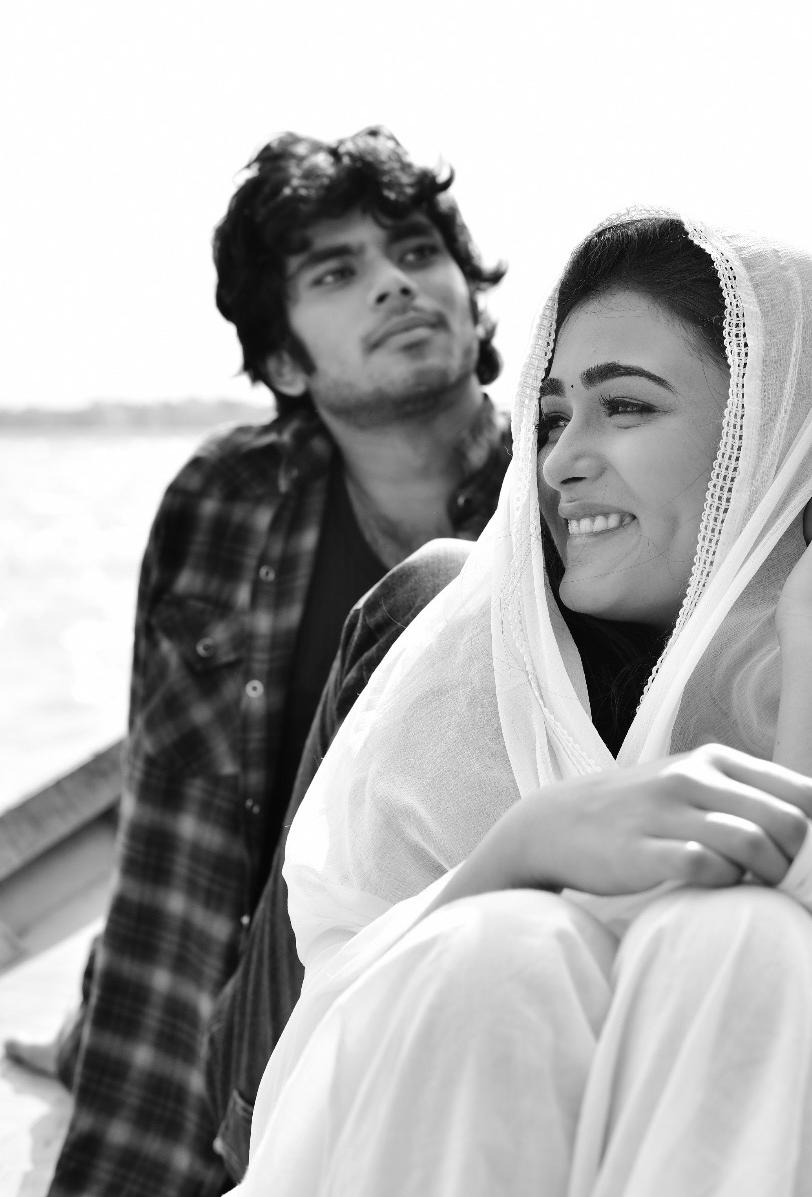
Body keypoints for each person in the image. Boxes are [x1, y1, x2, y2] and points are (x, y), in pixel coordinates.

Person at [231, 213, 812, 1197]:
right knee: (499, 948)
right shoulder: (461, 711)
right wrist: (520, 852)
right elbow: (326, 1085)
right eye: (552, 418)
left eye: (625, 407)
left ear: (772, 440)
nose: (559, 462)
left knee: (747, 938)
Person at [28, 128, 512, 1197]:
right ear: (286, 361)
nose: (395, 283)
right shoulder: (222, 503)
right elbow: (168, 841)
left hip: (444, 1003)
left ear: (471, 302)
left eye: (416, 252)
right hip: (233, 1013)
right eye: (337, 273)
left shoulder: (563, 502)